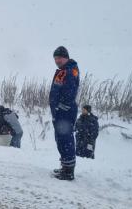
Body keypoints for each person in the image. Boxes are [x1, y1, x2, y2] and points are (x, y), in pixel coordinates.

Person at [49, 46, 80, 181]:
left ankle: (68, 172)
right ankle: (65, 167)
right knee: (60, 139)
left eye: (59, 58)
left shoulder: (69, 70)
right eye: (55, 58)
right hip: (60, 111)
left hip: (65, 111)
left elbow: (70, 90)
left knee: (65, 139)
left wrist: (62, 105)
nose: (57, 60)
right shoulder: (64, 70)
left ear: (66, 57)